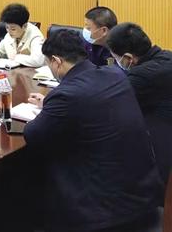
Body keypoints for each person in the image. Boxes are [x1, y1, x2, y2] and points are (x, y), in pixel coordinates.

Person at [25, 30, 162, 232]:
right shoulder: (115, 75)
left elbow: (33, 135)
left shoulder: (67, 94)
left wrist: (47, 110)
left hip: (104, 209)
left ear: (56, 61)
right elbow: (90, 104)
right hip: (143, 193)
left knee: (39, 165)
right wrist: (50, 105)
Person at [107, 22, 172, 188]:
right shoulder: (167, 56)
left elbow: (112, 108)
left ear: (128, 58)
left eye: (115, 58)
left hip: (161, 152)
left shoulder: (141, 76)